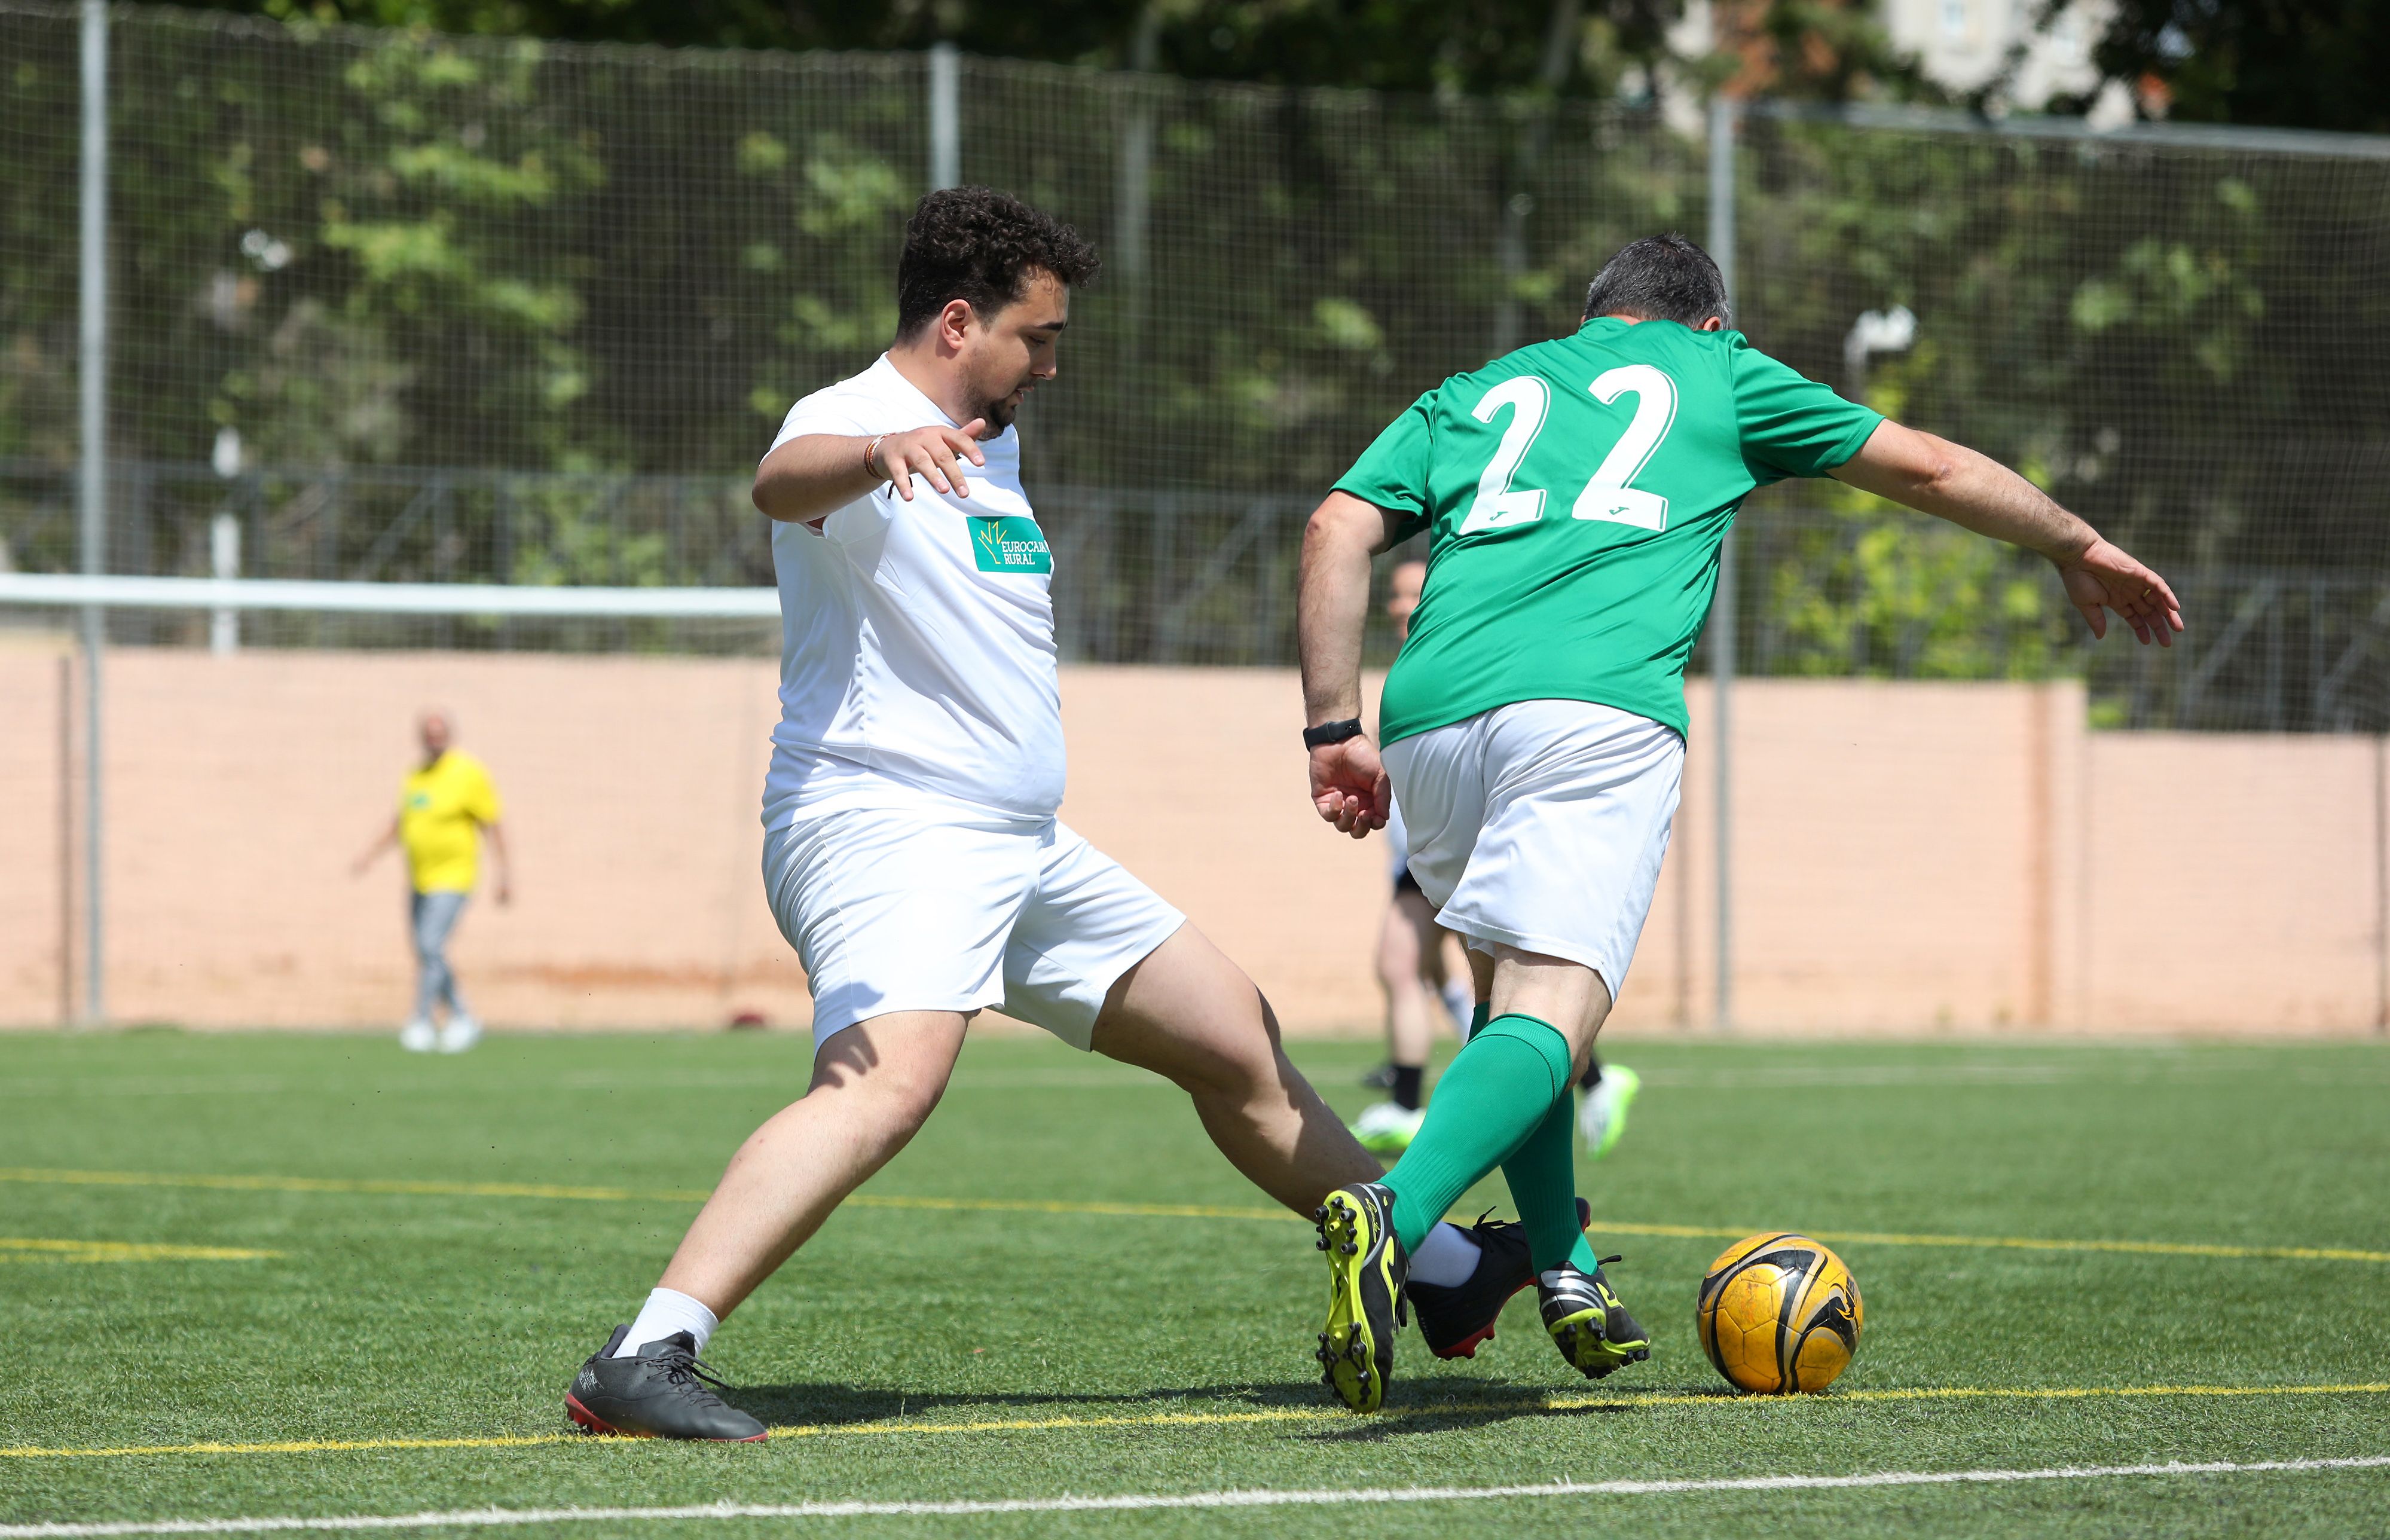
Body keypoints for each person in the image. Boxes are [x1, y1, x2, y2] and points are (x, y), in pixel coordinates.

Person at [561, 188, 1494, 1443]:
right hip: (889, 825)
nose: (1051, 364)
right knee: (886, 1091)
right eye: (1037, 337)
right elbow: (777, 485)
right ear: (958, 322)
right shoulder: (850, 420)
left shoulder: (987, 434)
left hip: (1016, 845)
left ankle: (1438, 1273)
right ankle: (644, 1352)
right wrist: (873, 455)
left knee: (1234, 1036)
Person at [1296, 232, 2183, 1413]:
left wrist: (1328, 727)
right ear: (1710, 321)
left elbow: (1333, 529)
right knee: (1557, 1006)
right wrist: (2072, 541)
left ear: (1593, 315)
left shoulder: (1475, 391)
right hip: (1590, 712)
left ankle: (1560, 1262)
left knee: (1513, 1000)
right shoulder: (1721, 373)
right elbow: (1921, 466)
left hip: (1429, 721)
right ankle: (1395, 1215)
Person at [1353, 560, 1640, 1160]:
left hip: (1465, 848)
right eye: (1395, 594)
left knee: (1408, 963)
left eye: (1413, 593)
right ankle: (1588, 1076)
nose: (1398, 605)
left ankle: (1409, 1104)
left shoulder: (1465, 663)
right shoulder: (1413, 671)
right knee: (1464, 978)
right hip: (1426, 854)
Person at [351, 711, 509, 1054]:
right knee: (426, 950)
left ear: (450, 736)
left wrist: (503, 874)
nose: (434, 739)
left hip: (454, 876)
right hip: (419, 878)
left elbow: (491, 823)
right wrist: (370, 856)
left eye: (440, 733)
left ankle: (421, 1021)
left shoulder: (468, 773)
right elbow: (401, 822)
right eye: (428, 734)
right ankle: (463, 1016)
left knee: (431, 945)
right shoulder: (415, 776)